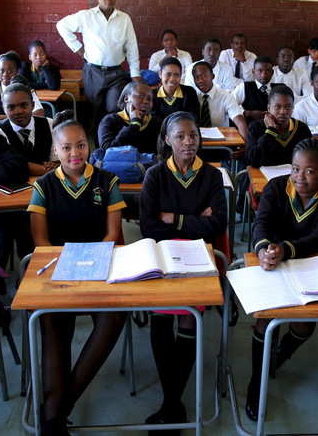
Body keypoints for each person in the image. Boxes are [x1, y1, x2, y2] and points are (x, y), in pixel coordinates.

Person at [28, 111, 127, 435]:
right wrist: (68, 267)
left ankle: (58, 409)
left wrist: (90, 263)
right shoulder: (43, 186)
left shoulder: (106, 181)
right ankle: (57, 414)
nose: (75, 154)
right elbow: (41, 241)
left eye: (81, 146)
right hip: (57, 269)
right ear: (55, 152)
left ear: (90, 146)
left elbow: (112, 235)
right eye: (67, 148)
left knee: (113, 318)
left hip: (99, 266)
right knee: (54, 324)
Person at [139, 111, 227, 432]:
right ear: (167, 140)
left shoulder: (212, 176)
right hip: (163, 254)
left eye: (193, 135)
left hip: (198, 256)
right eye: (180, 136)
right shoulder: (155, 175)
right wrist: (194, 219)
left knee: (189, 314)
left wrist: (172, 219)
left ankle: (170, 402)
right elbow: (148, 225)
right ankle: (173, 401)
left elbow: (217, 224)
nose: (189, 142)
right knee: (161, 315)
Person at [245, 138, 318, 421]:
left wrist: (286, 249)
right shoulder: (277, 188)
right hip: (274, 262)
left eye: (310, 171)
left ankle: (280, 355)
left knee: (304, 325)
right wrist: (265, 248)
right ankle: (257, 380)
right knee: (265, 319)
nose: (300, 176)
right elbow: (261, 223)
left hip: (311, 265)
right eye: (295, 168)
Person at [56, 0, 141, 127]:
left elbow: (132, 46)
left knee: (113, 107)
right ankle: (97, 144)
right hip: (93, 72)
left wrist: (135, 73)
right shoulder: (86, 16)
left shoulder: (124, 19)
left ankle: (110, 140)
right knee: (94, 110)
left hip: (116, 73)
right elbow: (61, 25)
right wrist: (78, 48)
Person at [0, 83, 58, 176]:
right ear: (4, 109)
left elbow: (57, 160)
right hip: (16, 185)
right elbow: (12, 166)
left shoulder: (49, 124)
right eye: (11, 107)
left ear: (32, 105)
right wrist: (45, 170)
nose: (18, 111)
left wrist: (54, 165)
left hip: (46, 182)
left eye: (23, 105)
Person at [245, 84, 312, 168]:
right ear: (269, 108)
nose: (283, 112)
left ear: (293, 107)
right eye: (277, 107)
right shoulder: (256, 127)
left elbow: (310, 158)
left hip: (293, 178)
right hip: (263, 178)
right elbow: (251, 161)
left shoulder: (302, 128)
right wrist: (270, 132)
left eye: (288, 107)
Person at [0, 51, 45, 121]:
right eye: (2, 70)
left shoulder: (25, 89)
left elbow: (39, 114)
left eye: (10, 71)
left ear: (18, 71)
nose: (5, 74)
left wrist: (5, 118)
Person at [191, 61, 249, 142]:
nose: (200, 80)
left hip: (221, 142)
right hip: (196, 141)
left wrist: (244, 145)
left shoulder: (225, 96)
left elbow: (240, 122)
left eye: (204, 76)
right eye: (197, 77)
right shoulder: (191, 96)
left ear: (213, 76)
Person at [97, 81, 161, 154]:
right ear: (126, 98)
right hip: (118, 164)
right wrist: (134, 124)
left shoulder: (155, 122)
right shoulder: (110, 120)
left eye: (149, 99)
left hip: (149, 165)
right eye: (141, 96)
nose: (146, 101)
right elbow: (108, 150)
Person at [151, 56, 200, 121]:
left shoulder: (189, 92)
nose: (172, 79)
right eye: (168, 74)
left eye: (176, 75)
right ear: (160, 74)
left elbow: (193, 118)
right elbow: (153, 121)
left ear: (181, 75)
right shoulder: (152, 95)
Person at [232, 56, 275, 122]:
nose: (264, 75)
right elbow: (230, 105)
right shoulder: (244, 87)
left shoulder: (279, 89)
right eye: (260, 71)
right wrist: (247, 113)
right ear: (253, 71)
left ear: (272, 73)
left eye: (268, 71)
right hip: (250, 129)